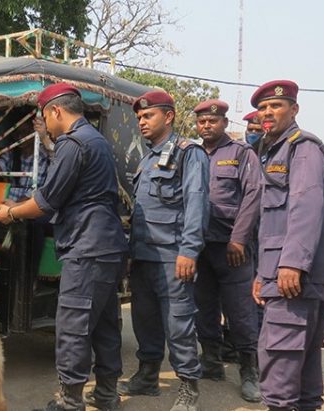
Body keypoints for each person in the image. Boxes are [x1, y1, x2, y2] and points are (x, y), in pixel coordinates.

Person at [0, 83, 129, 411]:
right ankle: (106, 394)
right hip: (107, 245)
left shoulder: (73, 143)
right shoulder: (95, 139)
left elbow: (47, 201)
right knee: (104, 323)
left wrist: (11, 213)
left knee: (73, 325)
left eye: (45, 117)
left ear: (56, 111)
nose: (45, 125)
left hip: (87, 247)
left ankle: (70, 402)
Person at [249, 80, 324, 411]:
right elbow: (272, 223)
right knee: (302, 368)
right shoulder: (273, 150)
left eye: (276, 106)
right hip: (284, 272)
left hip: (295, 276)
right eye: (263, 108)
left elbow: (306, 205)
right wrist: (263, 274)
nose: (267, 113)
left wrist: (292, 263)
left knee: (280, 366)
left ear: (294, 110)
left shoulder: (302, 147)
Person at [116, 90, 209, 411]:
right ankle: (148, 376)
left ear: (168, 116)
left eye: (148, 115)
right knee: (144, 319)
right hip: (144, 255)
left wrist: (189, 251)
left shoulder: (188, 154)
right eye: (139, 117)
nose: (142, 122)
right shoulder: (147, 158)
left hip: (173, 256)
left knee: (178, 324)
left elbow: (196, 203)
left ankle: (188, 386)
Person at [191, 99, 261, 402]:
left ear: (223, 123)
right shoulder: (191, 153)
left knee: (240, 311)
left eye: (213, 121)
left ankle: (249, 371)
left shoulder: (241, 153)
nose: (207, 126)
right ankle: (211, 362)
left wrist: (239, 239)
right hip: (200, 246)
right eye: (202, 122)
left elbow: (253, 195)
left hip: (232, 247)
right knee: (204, 307)